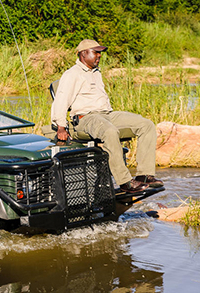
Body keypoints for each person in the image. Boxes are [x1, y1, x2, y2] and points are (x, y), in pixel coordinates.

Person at [51, 39, 162, 193]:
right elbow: (61, 101)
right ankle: (124, 181)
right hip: (86, 118)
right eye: (96, 52)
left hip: (106, 115)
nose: (99, 55)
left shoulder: (96, 72)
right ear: (83, 54)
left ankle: (144, 175)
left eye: (100, 52)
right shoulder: (72, 74)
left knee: (146, 125)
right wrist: (61, 127)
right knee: (109, 131)